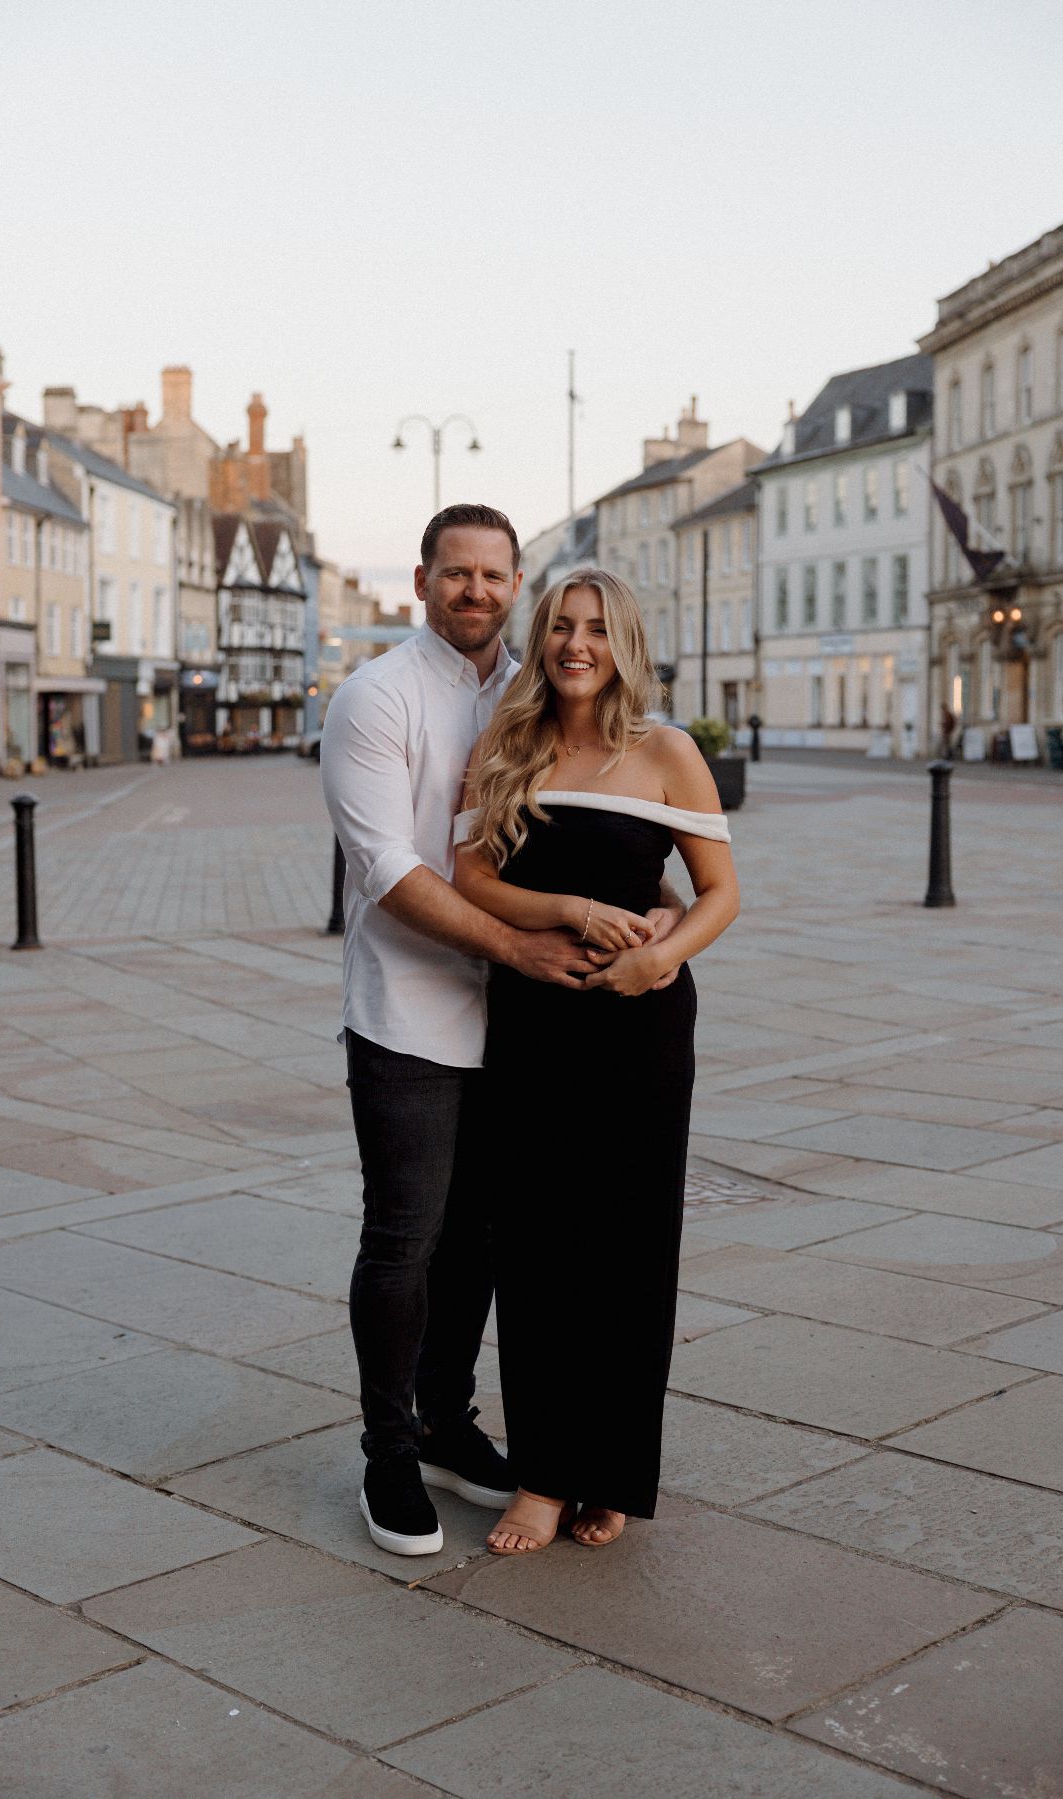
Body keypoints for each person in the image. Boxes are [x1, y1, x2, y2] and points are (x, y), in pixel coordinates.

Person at [321, 508, 686, 1556]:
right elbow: (391, 873)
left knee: (496, 1241)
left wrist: (657, 908)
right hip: (415, 1015)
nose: (474, 590)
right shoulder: (374, 697)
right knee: (406, 1238)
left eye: (493, 574)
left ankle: (444, 1421)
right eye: (455, 572)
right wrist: (523, 945)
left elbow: (585, 832)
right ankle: (388, 1451)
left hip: (531, 1030)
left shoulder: (527, 698)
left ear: (515, 582)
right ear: (422, 581)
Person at [454, 567, 740, 1554]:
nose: (578, 644)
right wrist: (569, 910)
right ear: (542, 640)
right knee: (533, 1240)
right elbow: (472, 875)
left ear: (624, 644)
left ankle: (610, 1469)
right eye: (562, 627)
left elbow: (719, 893)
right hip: (533, 1018)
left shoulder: (666, 751)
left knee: (627, 1246)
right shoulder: (507, 742)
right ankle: (541, 1474)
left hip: (642, 1030)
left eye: (597, 630)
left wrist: (660, 954)